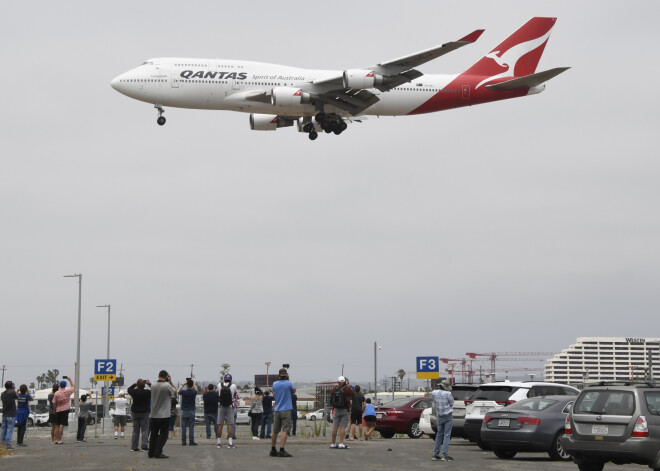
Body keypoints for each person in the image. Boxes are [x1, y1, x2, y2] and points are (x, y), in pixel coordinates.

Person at [148, 370, 176, 459]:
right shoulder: (167, 385)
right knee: (163, 435)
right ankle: (158, 452)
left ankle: (151, 452)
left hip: (153, 414)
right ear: (166, 377)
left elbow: (150, 386)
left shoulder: (153, 385)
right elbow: (174, 392)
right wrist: (170, 381)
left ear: (158, 375)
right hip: (164, 415)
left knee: (153, 434)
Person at [269, 368, 295, 457]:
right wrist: (288, 379)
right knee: (285, 429)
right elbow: (293, 391)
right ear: (286, 375)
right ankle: (282, 450)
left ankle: (273, 449)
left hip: (277, 409)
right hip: (286, 409)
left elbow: (275, 392)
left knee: (275, 430)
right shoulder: (288, 383)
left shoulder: (275, 384)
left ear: (279, 375)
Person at [431, 380, 455, 461]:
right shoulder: (448, 394)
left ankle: (435, 454)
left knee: (438, 435)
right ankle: (444, 455)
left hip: (439, 416)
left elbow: (434, 401)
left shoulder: (434, 393)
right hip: (448, 416)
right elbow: (452, 403)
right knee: (447, 435)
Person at [330, 376, 355, 449]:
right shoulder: (347, 389)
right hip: (345, 409)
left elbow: (331, 394)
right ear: (344, 382)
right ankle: (341, 443)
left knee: (335, 426)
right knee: (342, 427)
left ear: (338, 382)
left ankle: (333, 443)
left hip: (336, 409)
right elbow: (353, 394)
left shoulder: (335, 388)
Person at [128, 379, 151, 451]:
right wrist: (149, 384)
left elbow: (129, 389)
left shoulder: (133, 392)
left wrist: (136, 384)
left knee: (135, 430)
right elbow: (154, 390)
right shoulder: (147, 392)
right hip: (144, 412)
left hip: (135, 412)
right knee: (145, 430)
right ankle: (144, 446)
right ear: (144, 385)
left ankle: (134, 447)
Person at [53, 376, 75, 445]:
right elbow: (73, 387)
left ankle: (56, 439)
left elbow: (54, 402)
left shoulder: (56, 393)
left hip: (58, 409)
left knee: (57, 425)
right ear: (65, 385)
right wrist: (70, 379)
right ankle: (60, 439)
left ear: (59, 385)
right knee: (62, 424)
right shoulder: (68, 391)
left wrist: (54, 409)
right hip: (65, 409)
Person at [216, 374, 237, 449]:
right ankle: (230, 443)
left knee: (220, 424)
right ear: (231, 380)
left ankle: (219, 443)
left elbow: (218, 393)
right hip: (229, 406)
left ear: (224, 379)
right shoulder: (233, 386)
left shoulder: (219, 385)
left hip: (221, 406)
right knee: (230, 424)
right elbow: (234, 394)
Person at [177, 378, 198, 446]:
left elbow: (178, 391)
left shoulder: (184, 392)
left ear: (187, 385)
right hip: (191, 410)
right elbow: (196, 389)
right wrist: (193, 382)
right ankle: (191, 441)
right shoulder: (193, 392)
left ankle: (183, 441)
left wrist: (183, 384)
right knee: (191, 427)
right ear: (192, 385)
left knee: (183, 427)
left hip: (184, 411)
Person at [1, 381, 18, 450]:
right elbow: (17, 397)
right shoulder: (12, 392)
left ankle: (2, 443)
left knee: (3, 429)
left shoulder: (2, 394)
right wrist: (14, 389)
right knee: (10, 429)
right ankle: (7, 444)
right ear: (11, 386)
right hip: (11, 414)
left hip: (4, 414)